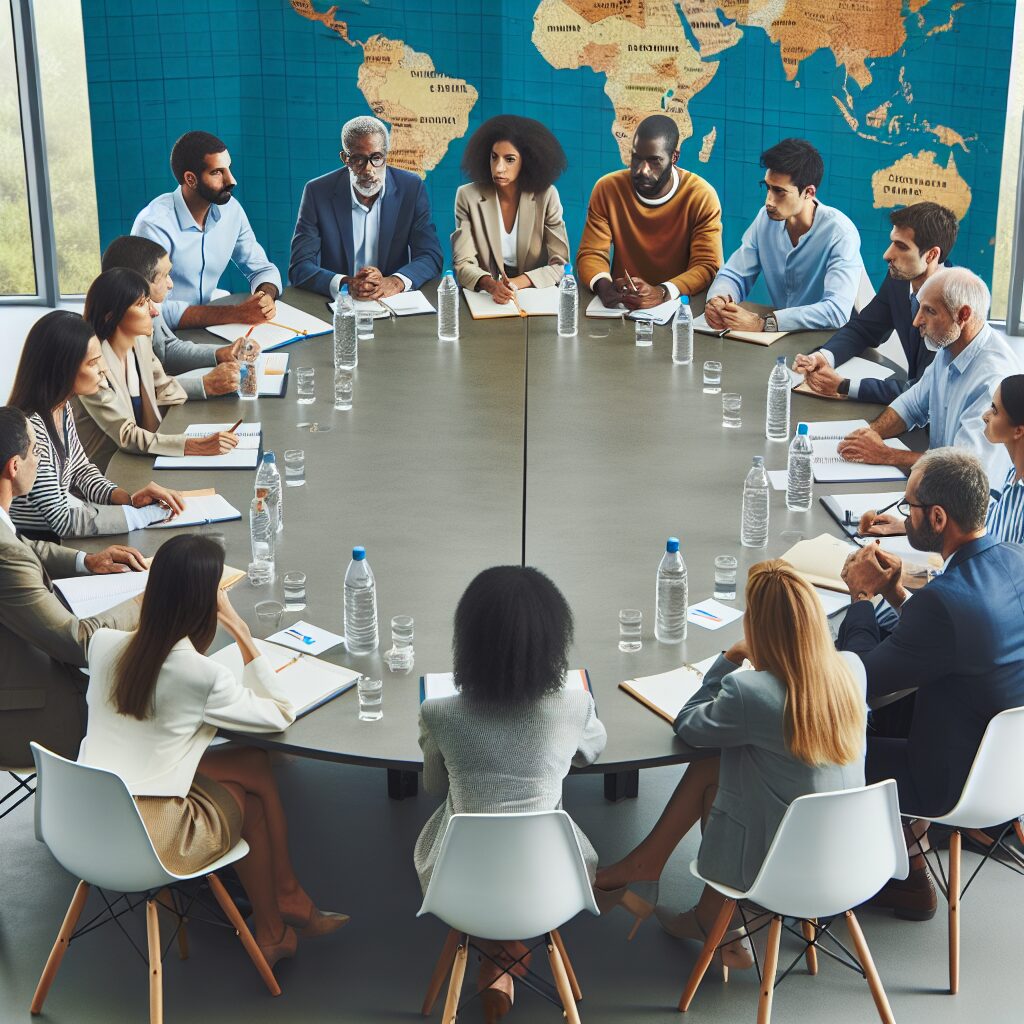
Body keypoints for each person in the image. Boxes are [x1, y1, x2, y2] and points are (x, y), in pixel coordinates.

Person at [79, 534, 347, 967]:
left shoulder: (105, 645)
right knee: (250, 803)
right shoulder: (201, 675)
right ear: (206, 606)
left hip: (85, 819)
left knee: (251, 764)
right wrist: (240, 630)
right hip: (152, 838)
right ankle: (278, 920)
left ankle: (285, 904)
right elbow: (280, 713)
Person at [594, 562, 866, 966]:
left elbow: (689, 725)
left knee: (715, 759)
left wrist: (729, 657)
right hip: (853, 857)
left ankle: (683, 896)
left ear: (758, 629)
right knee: (719, 767)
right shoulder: (852, 670)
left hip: (780, 869)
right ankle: (682, 897)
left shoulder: (751, 691)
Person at [837, 448, 1024, 920]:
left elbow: (858, 677)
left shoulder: (943, 602)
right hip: (1010, 774)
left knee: (822, 743)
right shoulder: (1014, 559)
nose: (905, 514)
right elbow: (959, 646)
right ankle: (901, 854)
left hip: (949, 782)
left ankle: (896, 871)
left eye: (909, 507)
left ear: (938, 517)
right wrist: (898, 594)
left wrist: (861, 597)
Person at [415, 566, 606, 1018]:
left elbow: (433, 786)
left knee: (468, 816)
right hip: (553, 878)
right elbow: (591, 751)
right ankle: (505, 952)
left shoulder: (439, 713)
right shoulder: (574, 706)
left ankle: (496, 954)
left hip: (457, 882)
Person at [0, 406, 145, 766]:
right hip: (31, 715)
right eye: (35, 452)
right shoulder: (4, 557)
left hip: (21, 674)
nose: (39, 460)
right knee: (153, 694)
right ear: (13, 467)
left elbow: (23, 545)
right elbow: (78, 642)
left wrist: (87, 561)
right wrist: (149, 598)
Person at [7, 310, 185, 539]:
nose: (103, 369)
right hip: (39, 547)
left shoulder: (61, 408)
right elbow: (63, 521)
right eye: (93, 362)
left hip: (57, 540)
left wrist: (128, 498)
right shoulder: (32, 428)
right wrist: (142, 515)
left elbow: (81, 471)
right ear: (62, 370)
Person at [835, 267, 1020, 487]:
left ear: (963, 315)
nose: (916, 321)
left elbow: (965, 471)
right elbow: (912, 404)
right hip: (938, 486)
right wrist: (868, 435)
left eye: (929, 311)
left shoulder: (993, 379)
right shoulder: (950, 346)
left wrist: (885, 454)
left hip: (969, 501)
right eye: (919, 308)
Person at [72, 269, 239, 471]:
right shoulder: (91, 366)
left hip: (144, 458)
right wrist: (195, 446)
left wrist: (208, 387)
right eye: (142, 304)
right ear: (111, 316)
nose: (154, 312)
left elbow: (162, 387)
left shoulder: (140, 340)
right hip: (108, 471)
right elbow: (126, 435)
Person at [794, 202, 958, 401]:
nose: (887, 255)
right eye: (892, 242)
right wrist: (823, 358)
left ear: (932, 255)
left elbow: (925, 391)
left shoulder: (952, 308)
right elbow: (865, 329)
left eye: (902, 246)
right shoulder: (899, 281)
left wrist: (844, 386)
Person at [705, 138, 863, 333]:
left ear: (808, 192)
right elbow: (735, 273)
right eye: (768, 187)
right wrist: (719, 299)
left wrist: (765, 324)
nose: (769, 201)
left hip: (828, 342)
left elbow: (836, 311)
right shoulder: (765, 218)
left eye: (779, 191)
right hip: (779, 339)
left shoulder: (840, 233)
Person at [132, 130, 282, 330]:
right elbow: (149, 308)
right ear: (191, 179)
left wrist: (265, 297)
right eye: (217, 172)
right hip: (167, 335)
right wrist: (236, 313)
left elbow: (262, 269)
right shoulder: (153, 225)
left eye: (228, 168)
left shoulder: (231, 210)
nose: (231, 180)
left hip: (215, 328)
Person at [577, 114, 722, 311]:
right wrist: (605, 286)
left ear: (674, 157)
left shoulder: (701, 196)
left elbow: (707, 266)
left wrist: (662, 292)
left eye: (654, 161)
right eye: (636, 159)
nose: (642, 170)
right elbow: (591, 253)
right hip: (623, 307)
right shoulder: (607, 189)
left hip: (677, 309)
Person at [289, 115, 443, 299]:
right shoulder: (317, 192)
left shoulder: (411, 188)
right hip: (341, 304)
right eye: (358, 159)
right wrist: (347, 284)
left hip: (392, 301)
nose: (369, 169)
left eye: (376, 158)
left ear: (386, 154)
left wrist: (394, 282)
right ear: (345, 158)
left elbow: (431, 256)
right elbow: (299, 266)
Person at [859, 374, 1024, 545]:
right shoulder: (1014, 473)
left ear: (1018, 431)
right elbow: (989, 527)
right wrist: (912, 526)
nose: (985, 416)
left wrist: (914, 572)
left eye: (995, 411)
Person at [101, 235, 248, 399]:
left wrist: (219, 353)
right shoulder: (105, 346)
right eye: (164, 276)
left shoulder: (151, 306)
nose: (170, 284)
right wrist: (205, 384)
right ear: (135, 284)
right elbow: (137, 395)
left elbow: (165, 349)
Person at [451, 115, 570, 303]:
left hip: (535, 297)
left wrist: (514, 284)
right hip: (486, 299)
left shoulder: (546, 196)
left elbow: (559, 264)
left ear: (527, 161)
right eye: (494, 157)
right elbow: (463, 263)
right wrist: (491, 285)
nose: (499, 168)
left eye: (510, 159)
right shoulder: (467, 196)